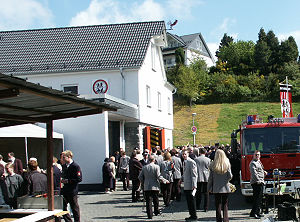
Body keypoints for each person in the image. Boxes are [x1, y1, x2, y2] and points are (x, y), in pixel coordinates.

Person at [138, 155, 169, 219]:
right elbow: (158, 176)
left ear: (149, 160)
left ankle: (149, 214)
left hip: (147, 186)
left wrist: (143, 182)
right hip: (155, 185)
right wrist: (164, 180)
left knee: (148, 201)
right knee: (156, 200)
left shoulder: (144, 167)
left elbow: (140, 177)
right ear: (154, 160)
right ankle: (156, 211)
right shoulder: (156, 167)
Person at [208, 149, 232, 222]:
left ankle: (218, 220)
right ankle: (226, 219)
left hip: (216, 187)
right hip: (225, 186)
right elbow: (230, 176)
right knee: (225, 204)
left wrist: (209, 187)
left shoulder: (212, 164)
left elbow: (210, 178)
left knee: (217, 204)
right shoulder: (227, 163)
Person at [61, 150, 82, 222]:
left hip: (72, 190)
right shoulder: (64, 166)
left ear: (69, 157)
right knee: (62, 206)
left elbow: (79, 179)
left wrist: (68, 181)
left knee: (74, 208)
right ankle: (69, 220)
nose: (62, 159)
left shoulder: (75, 166)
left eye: (64, 157)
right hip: (65, 190)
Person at [249, 150, 267, 219]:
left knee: (259, 198)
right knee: (257, 199)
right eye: (256, 154)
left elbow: (260, 170)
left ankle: (254, 212)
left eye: (258, 154)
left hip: (261, 181)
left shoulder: (258, 162)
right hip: (256, 183)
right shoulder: (253, 163)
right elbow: (254, 174)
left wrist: (264, 172)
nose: (257, 156)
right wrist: (259, 181)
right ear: (253, 155)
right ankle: (255, 213)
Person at [182, 150, 198, 221]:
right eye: (183, 154)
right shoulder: (184, 162)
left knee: (191, 201)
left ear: (188, 154)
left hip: (191, 185)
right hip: (186, 184)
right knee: (188, 201)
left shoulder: (191, 162)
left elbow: (194, 175)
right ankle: (191, 214)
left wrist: (194, 185)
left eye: (185, 154)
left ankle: (194, 215)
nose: (184, 155)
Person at [195, 147, 211, 211]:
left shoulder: (196, 159)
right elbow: (210, 168)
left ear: (200, 152)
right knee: (206, 193)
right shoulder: (208, 160)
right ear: (205, 152)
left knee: (198, 192)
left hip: (198, 177)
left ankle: (197, 205)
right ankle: (206, 207)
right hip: (206, 177)